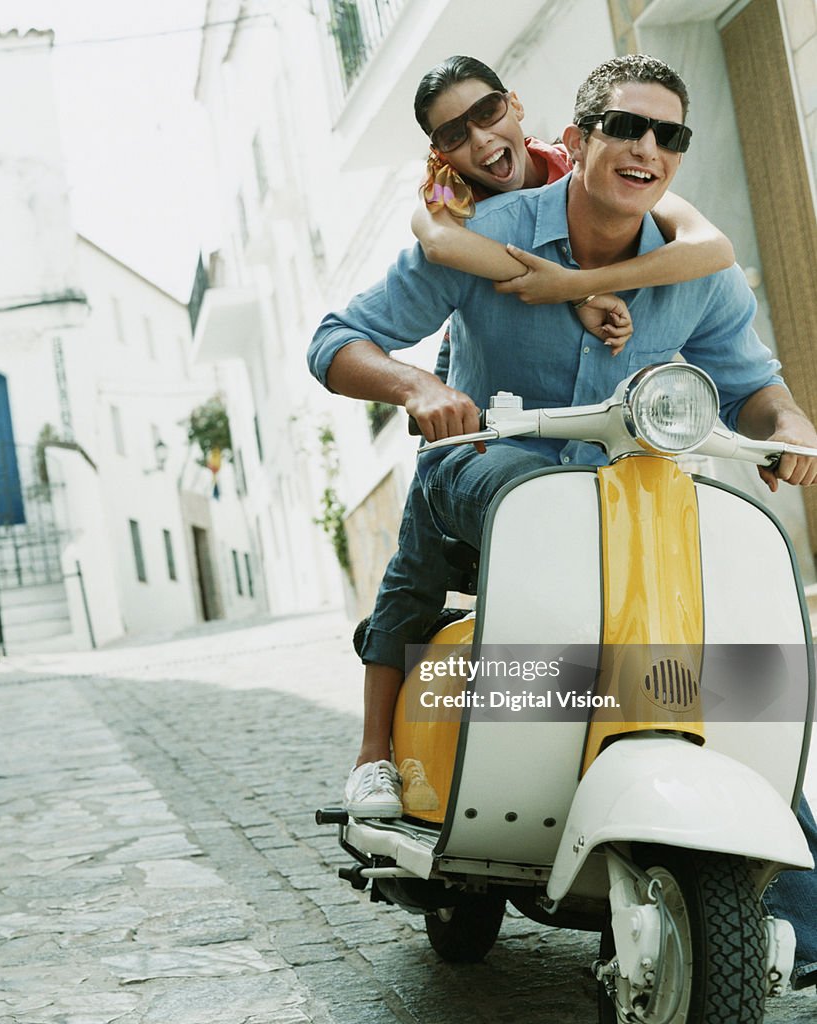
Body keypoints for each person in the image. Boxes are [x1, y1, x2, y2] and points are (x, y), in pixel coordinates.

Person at [309, 52, 817, 991]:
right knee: (472, 510)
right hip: (496, 470)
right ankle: (379, 757)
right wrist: (422, 387)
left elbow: (752, 385)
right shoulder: (482, 232)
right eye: (626, 128)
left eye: (668, 136)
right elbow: (336, 338)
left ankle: (778, 870)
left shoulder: (691, 263)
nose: (646, 148)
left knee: (732, 628)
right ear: (578, 139)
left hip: (630, 493)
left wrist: (790, 426)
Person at [341, 55, 734, 823]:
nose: (480, 139)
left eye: (487, 113)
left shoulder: (591, 169)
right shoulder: (452, 200)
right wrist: (564, 294)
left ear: (515, 104)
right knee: (435, 514)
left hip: (599, 423)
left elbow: (711, 252)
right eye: (452, 133)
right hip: (482, 374)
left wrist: (576, 287)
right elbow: (445, 246)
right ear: (438, 153)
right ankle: (370, 755)